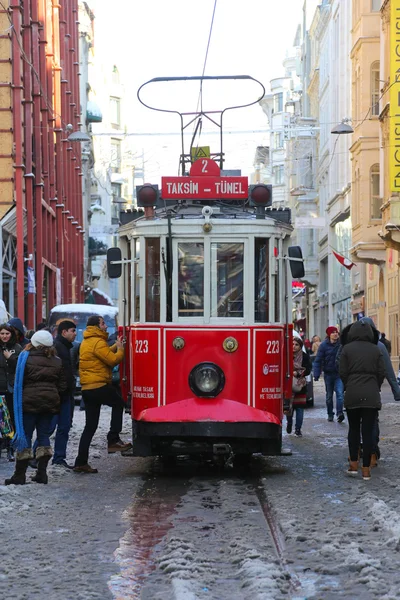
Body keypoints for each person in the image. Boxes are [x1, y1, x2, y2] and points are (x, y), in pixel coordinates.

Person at [5, 330, 67, 485]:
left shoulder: (24, 359)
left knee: (25, 436)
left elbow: (17, 382)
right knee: (43, 436)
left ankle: (19, 475)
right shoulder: (57, 360)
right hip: (49, 403)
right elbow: (63, 384)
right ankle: (41, 473)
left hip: (29, 402)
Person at [73, 315, 132, 474]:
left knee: (90, 427)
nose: (106, 326)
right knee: (119, 403)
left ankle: (81, 462)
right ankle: (113, 439)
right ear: (96, 326)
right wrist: (120, 349)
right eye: (103, 324)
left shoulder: (88, 341)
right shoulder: (97, 341)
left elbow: (102, 354)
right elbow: (112, 360)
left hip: (88, 389)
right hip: (98, 386)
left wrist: (115, 345)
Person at [339, 320, 385, 480]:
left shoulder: (346, 349)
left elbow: (342, 372)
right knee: (367, 431)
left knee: (353, 429)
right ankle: (366, 469)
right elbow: (382, 371)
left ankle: (353, 465)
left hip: (352, 393)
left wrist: (349, 384)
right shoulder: (376, 349)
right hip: (371, 394)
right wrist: (375, 385)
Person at [49, 320, 77, 468]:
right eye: (72, 330)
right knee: (49, 427)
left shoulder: (65, 347)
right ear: (63, 332)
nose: (75, 333)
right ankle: (36, 455)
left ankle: (59, 457)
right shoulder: (57, 347)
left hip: (65, 394)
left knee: (64, 427)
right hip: (58, 395)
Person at [313, 326, 344, 422]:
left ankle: (340, 413)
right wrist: (316, 374)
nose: (335, 334)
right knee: (329, 396)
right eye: (333, 332)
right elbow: (318, 360)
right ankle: (330, 413)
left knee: (340, 394)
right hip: (328, 374)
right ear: (329, 334)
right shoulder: (323, 346)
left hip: (339, 374)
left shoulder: (341, 345)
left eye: (336, 332)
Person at [0, 324, 22, 460]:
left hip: (12, 389)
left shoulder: (17, 348)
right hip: (0, 388)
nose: (4, 336)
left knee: (11, 418)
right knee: (1, 419)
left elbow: (21, 365)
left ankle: (11, 447)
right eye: (2, 334)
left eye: (7, 334)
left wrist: (10, 358)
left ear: (11, 334)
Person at [286, 337, 312, 437]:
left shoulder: (305, 356)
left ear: (300, 346)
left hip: (300, 385)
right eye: (292, 344)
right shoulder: (286, 355)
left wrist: (297, 373)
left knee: (300, 408)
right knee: (289, 408)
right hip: (288, 385)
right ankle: (289, 423)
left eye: (296, 345)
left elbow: (308, 369)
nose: (294, 346)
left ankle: (298, 429)